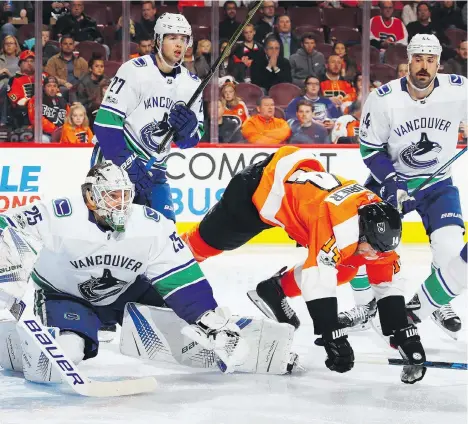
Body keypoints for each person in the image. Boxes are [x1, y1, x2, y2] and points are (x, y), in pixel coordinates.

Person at [181, 145, 427, 384]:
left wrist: (404, 336)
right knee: (203, 245)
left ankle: (274, 289)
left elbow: (387, 281)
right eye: (372, 248)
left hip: (300, 197)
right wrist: (332, 336)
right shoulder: (339, 226)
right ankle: (165, 263)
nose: (375, 255)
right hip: (259, 191)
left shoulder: (374, 219)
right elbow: (318, 278)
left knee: (347, 268)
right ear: (360, 232)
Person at [0, 162, 254, 382]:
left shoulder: (150, 225)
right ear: (90, 197)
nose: (121, 204)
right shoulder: (59, 215)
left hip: (127, 292)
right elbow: (6, 225)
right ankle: (13, 345)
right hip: (67, 297)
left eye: (125, 195)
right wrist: (6, 264)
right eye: (112, 196)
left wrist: (206, 318)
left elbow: (179, 276)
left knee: (188, 326)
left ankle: (227, 341)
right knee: (67, 353)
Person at [358, 34, 467, 338]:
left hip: (438, 184)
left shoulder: (459, 90)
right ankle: (366, 305)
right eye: (418, 59)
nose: (424, 66)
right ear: (408, 60)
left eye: (430, 60)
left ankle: (432, 304)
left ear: (438, 63)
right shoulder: (383, 98)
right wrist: (393, 181)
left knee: (450, 253)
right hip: (392, 181)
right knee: (359, 242)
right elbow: (370, 149)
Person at [93, 13, 204, 223]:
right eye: (172, 38)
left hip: (156, 171)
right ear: (158, 40)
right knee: (111, 230)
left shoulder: (192, 84)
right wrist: (128, 165)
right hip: (114, 166)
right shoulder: (134, 71)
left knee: (166, 234)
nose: (179, 44)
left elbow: (191, 140)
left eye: (183, 38)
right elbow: (105, 125)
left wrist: (186, 130)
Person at [45, 34, 88, 100]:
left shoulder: (81, 60)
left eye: (70, 44)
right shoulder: (52, 60)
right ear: (60, 45)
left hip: (78, 87)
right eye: (65, 44)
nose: (68, 46)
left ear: (74, 46)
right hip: (62, 87)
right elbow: (51, 77)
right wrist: (65, 83)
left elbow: (87, 76)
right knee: (65, 90)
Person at [27, 75, 69, 142]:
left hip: (62, 133)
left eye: (54, 86)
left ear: (58, 88)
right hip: (44, 134)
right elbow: (36, 120)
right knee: (43, 140)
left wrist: (63, 131)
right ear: (44, 88)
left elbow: (69, 119)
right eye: (49, 86)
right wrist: (55, 130)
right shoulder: (36, 99)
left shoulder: (63, 101)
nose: (52, 89)